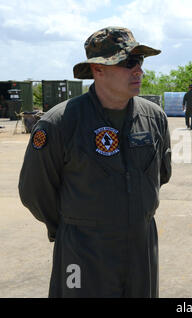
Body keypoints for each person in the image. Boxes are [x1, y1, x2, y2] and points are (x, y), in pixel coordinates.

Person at [18, 26, 172, 297]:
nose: (139, 70)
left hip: (141, 248)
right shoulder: (60, 123)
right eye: (128, 62)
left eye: (140, 61)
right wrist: (73, 226)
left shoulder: (154, 118)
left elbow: (161, 174)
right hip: (84, 251)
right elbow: (34, 191)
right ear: (97, 70)